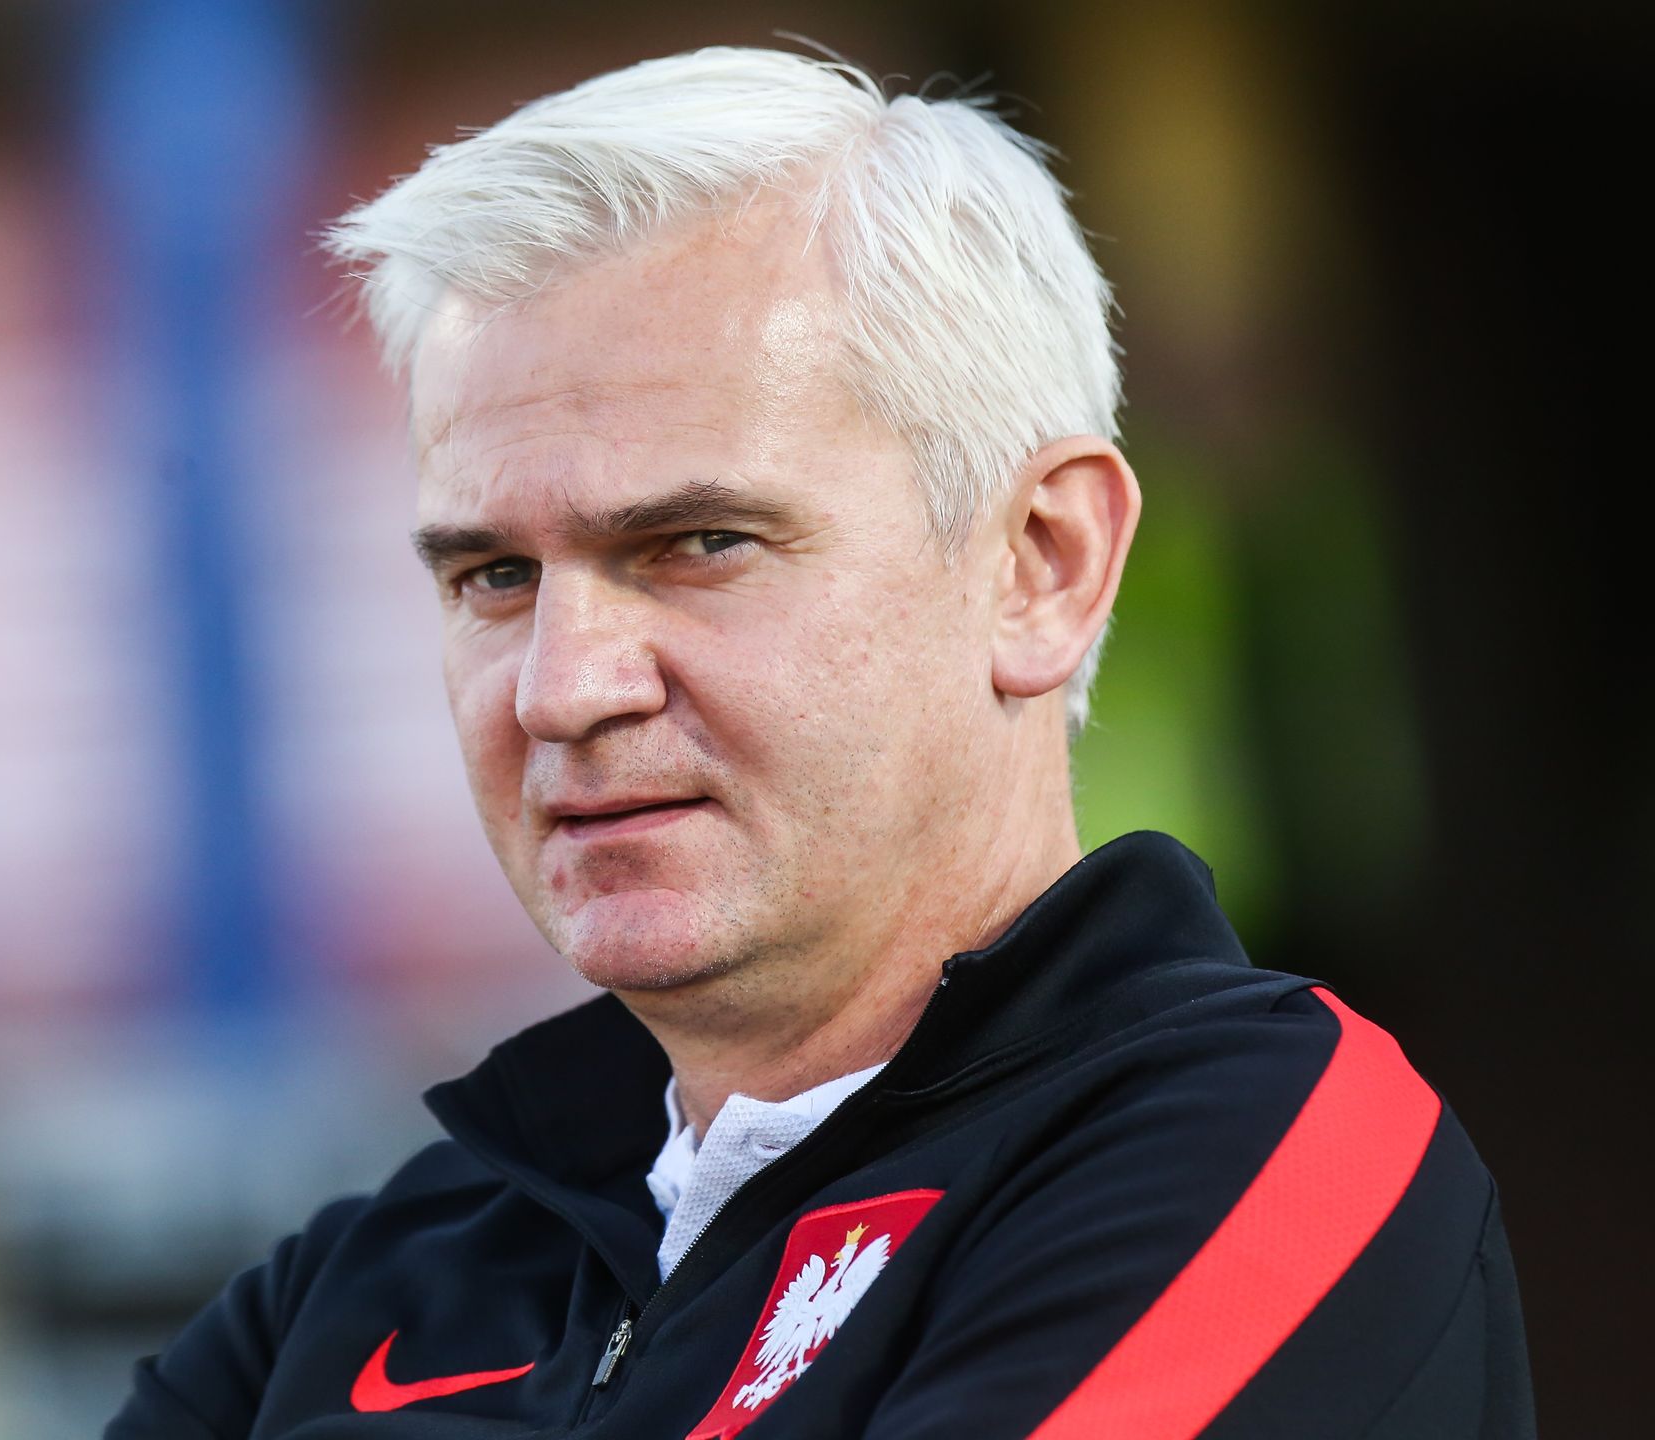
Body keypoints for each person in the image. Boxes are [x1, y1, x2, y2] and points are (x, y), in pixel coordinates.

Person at [104, 46, 1532, 1439]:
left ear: (1041, 563)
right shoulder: (378, 1272)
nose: (561, 688)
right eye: (492, 576)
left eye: (698, 543)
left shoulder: (1261, 1157)